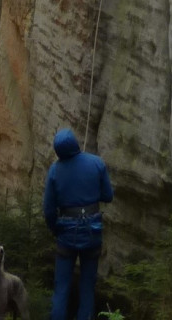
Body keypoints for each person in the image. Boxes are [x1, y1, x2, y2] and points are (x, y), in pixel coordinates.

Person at [43, 127, 113, 320]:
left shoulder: (55, 170)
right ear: (75, 143)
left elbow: (48, 209)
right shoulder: (96, 163)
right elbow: (108, 196)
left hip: (65, 233)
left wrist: (55, 228)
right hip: (92, 232)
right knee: (87, 286)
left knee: (61, 287)